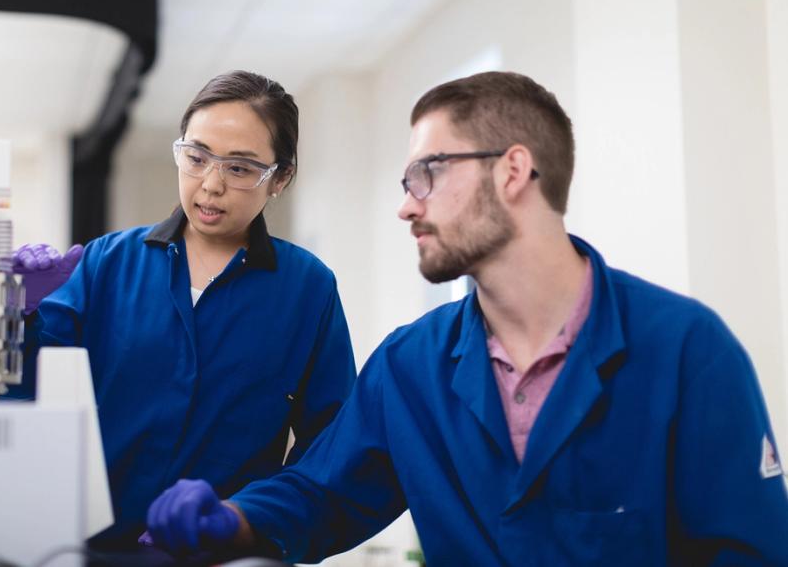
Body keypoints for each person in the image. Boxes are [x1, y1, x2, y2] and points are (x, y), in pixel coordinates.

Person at [144, 71, 788, 564]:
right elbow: (323, 493)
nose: (407, 207)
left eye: (427, 173)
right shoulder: (409, 366)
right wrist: (233, 519)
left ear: (513, 171)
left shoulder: (685, 351)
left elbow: (748, 552)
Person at [6, 70, 357, 548]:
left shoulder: (307, 289)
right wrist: (15, 318)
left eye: (239, 168)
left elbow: (329, 453)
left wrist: (244, 520)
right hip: (91, 550)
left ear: (281, 179)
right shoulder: (109, 262)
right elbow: (25, 397)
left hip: (222, 556)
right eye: (196, 157)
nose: (210, 185)